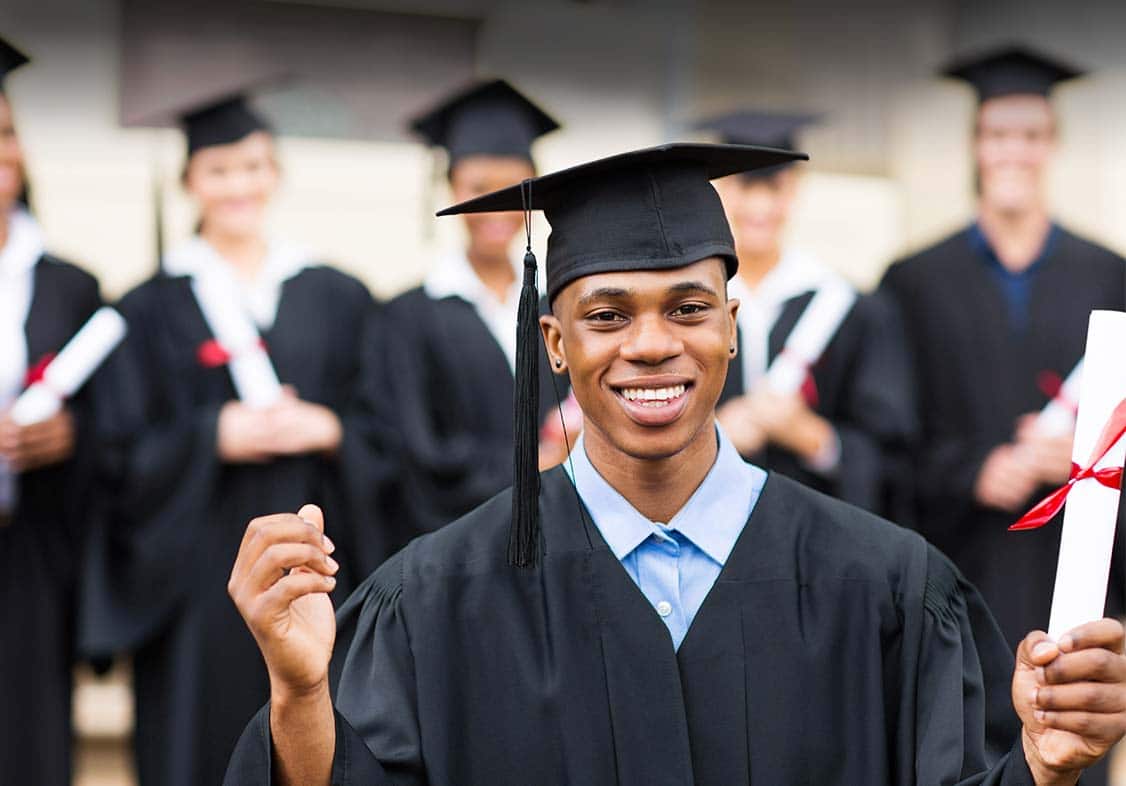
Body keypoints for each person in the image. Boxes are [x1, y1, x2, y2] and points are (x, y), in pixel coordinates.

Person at [226, 142, 1126, 786]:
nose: (651, 345)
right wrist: (299, 695)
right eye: (608, 315)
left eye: (689, 307)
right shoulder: (434, 598)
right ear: (554, 344)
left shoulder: (887, 589)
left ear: (732, 327)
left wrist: (1043, 770)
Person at [83, 89, 392, 786]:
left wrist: (330, 426)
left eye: (253, 167)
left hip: (317, 562)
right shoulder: (147, 305)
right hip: (197, 579)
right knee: (198, 740)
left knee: (318, 729)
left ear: (275, 174)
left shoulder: (338, 294)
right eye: (219, 171)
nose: (238, 186)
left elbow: (385, 429)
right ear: (189, 181)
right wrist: (211, 434)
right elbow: (115, 454)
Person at [880, 46, 1126, 652]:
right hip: (957, 575)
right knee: (953, 738)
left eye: (1030, 135)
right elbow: (886, 439)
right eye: (997, 134)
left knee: (1070, 730)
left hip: (1076, 578)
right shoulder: (912, 282)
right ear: (976, 143)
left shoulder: (1108, 276)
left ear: (1052, 144)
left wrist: (1084, 456)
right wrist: (972, 471)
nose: (1013, 151)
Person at [382, 78, 575, 541]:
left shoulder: (562, 302)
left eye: (513, 188)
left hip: (569, 531)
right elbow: (414, 451)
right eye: (479, 187)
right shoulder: (408, 317)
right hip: (464, 540)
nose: (496, 206)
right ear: (450, 188)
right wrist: (532, 463)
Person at [702, 111, 916, 517]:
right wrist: (708, 436)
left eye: (775, 186)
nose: (760, 204)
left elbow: (893, 457)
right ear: (718, 190)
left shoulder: (851, 310)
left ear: (796, 190)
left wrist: (813, 437)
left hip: (813, 539)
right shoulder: (687, 309)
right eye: (744, 186)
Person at [0, 37, 103, 786]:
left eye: (5, 133)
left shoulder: (69, 285)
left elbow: (113, 430)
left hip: (29, 552)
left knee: (29, 748)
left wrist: (70, 435)